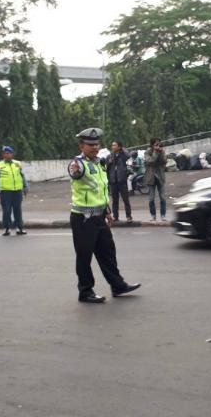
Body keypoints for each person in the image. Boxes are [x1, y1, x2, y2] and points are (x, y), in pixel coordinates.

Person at [67, 128, 141, 303]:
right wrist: (76, 170)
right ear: (81, 146)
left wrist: (107, 211)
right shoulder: (77, 164)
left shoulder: (99, 163)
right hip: (83, 219)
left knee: (108, 252)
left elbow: (100, 190)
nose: (94, 147)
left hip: (99, 217)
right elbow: (75, 173)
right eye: (90, 144)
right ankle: (85, 292)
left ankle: (118, 285)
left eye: (97, 144)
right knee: (84, 257)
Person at [0, 146, 28, 236]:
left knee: (18, 210)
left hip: (17, 191)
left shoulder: (17, 164)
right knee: (6, 210)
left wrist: (25, 187)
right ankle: (6, 228)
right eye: (5, 153)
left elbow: (22, 176)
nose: (7, 155)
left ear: (12, 154)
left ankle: (19, 227)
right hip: (5, 192)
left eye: (8, 153)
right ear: (3, 155)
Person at [106, 140, 132, 222]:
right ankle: (115, 217)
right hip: (113, 181)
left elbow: (128, 156)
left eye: (115, 145)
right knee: (115, 201)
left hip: (122, 181)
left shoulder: (123, 155)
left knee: (126, 200)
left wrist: (123, 149)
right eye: (112, 145)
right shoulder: (110, 156)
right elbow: (107, 168)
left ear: (119, 147)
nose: (113, 147)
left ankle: (128, 216)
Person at [144, 138, 167, 221]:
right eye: (156, 144)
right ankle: (153, 215)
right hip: (151, 177)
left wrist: (160, 152)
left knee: (163, 197)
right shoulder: (147, 152)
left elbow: (164, 161)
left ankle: (163, 215)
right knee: (151, 198)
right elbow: (150, 161)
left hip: (160, 177)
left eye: (159, 144)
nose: (158, 146)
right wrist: (155, 152)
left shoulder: (162, 151)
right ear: (152, 145)